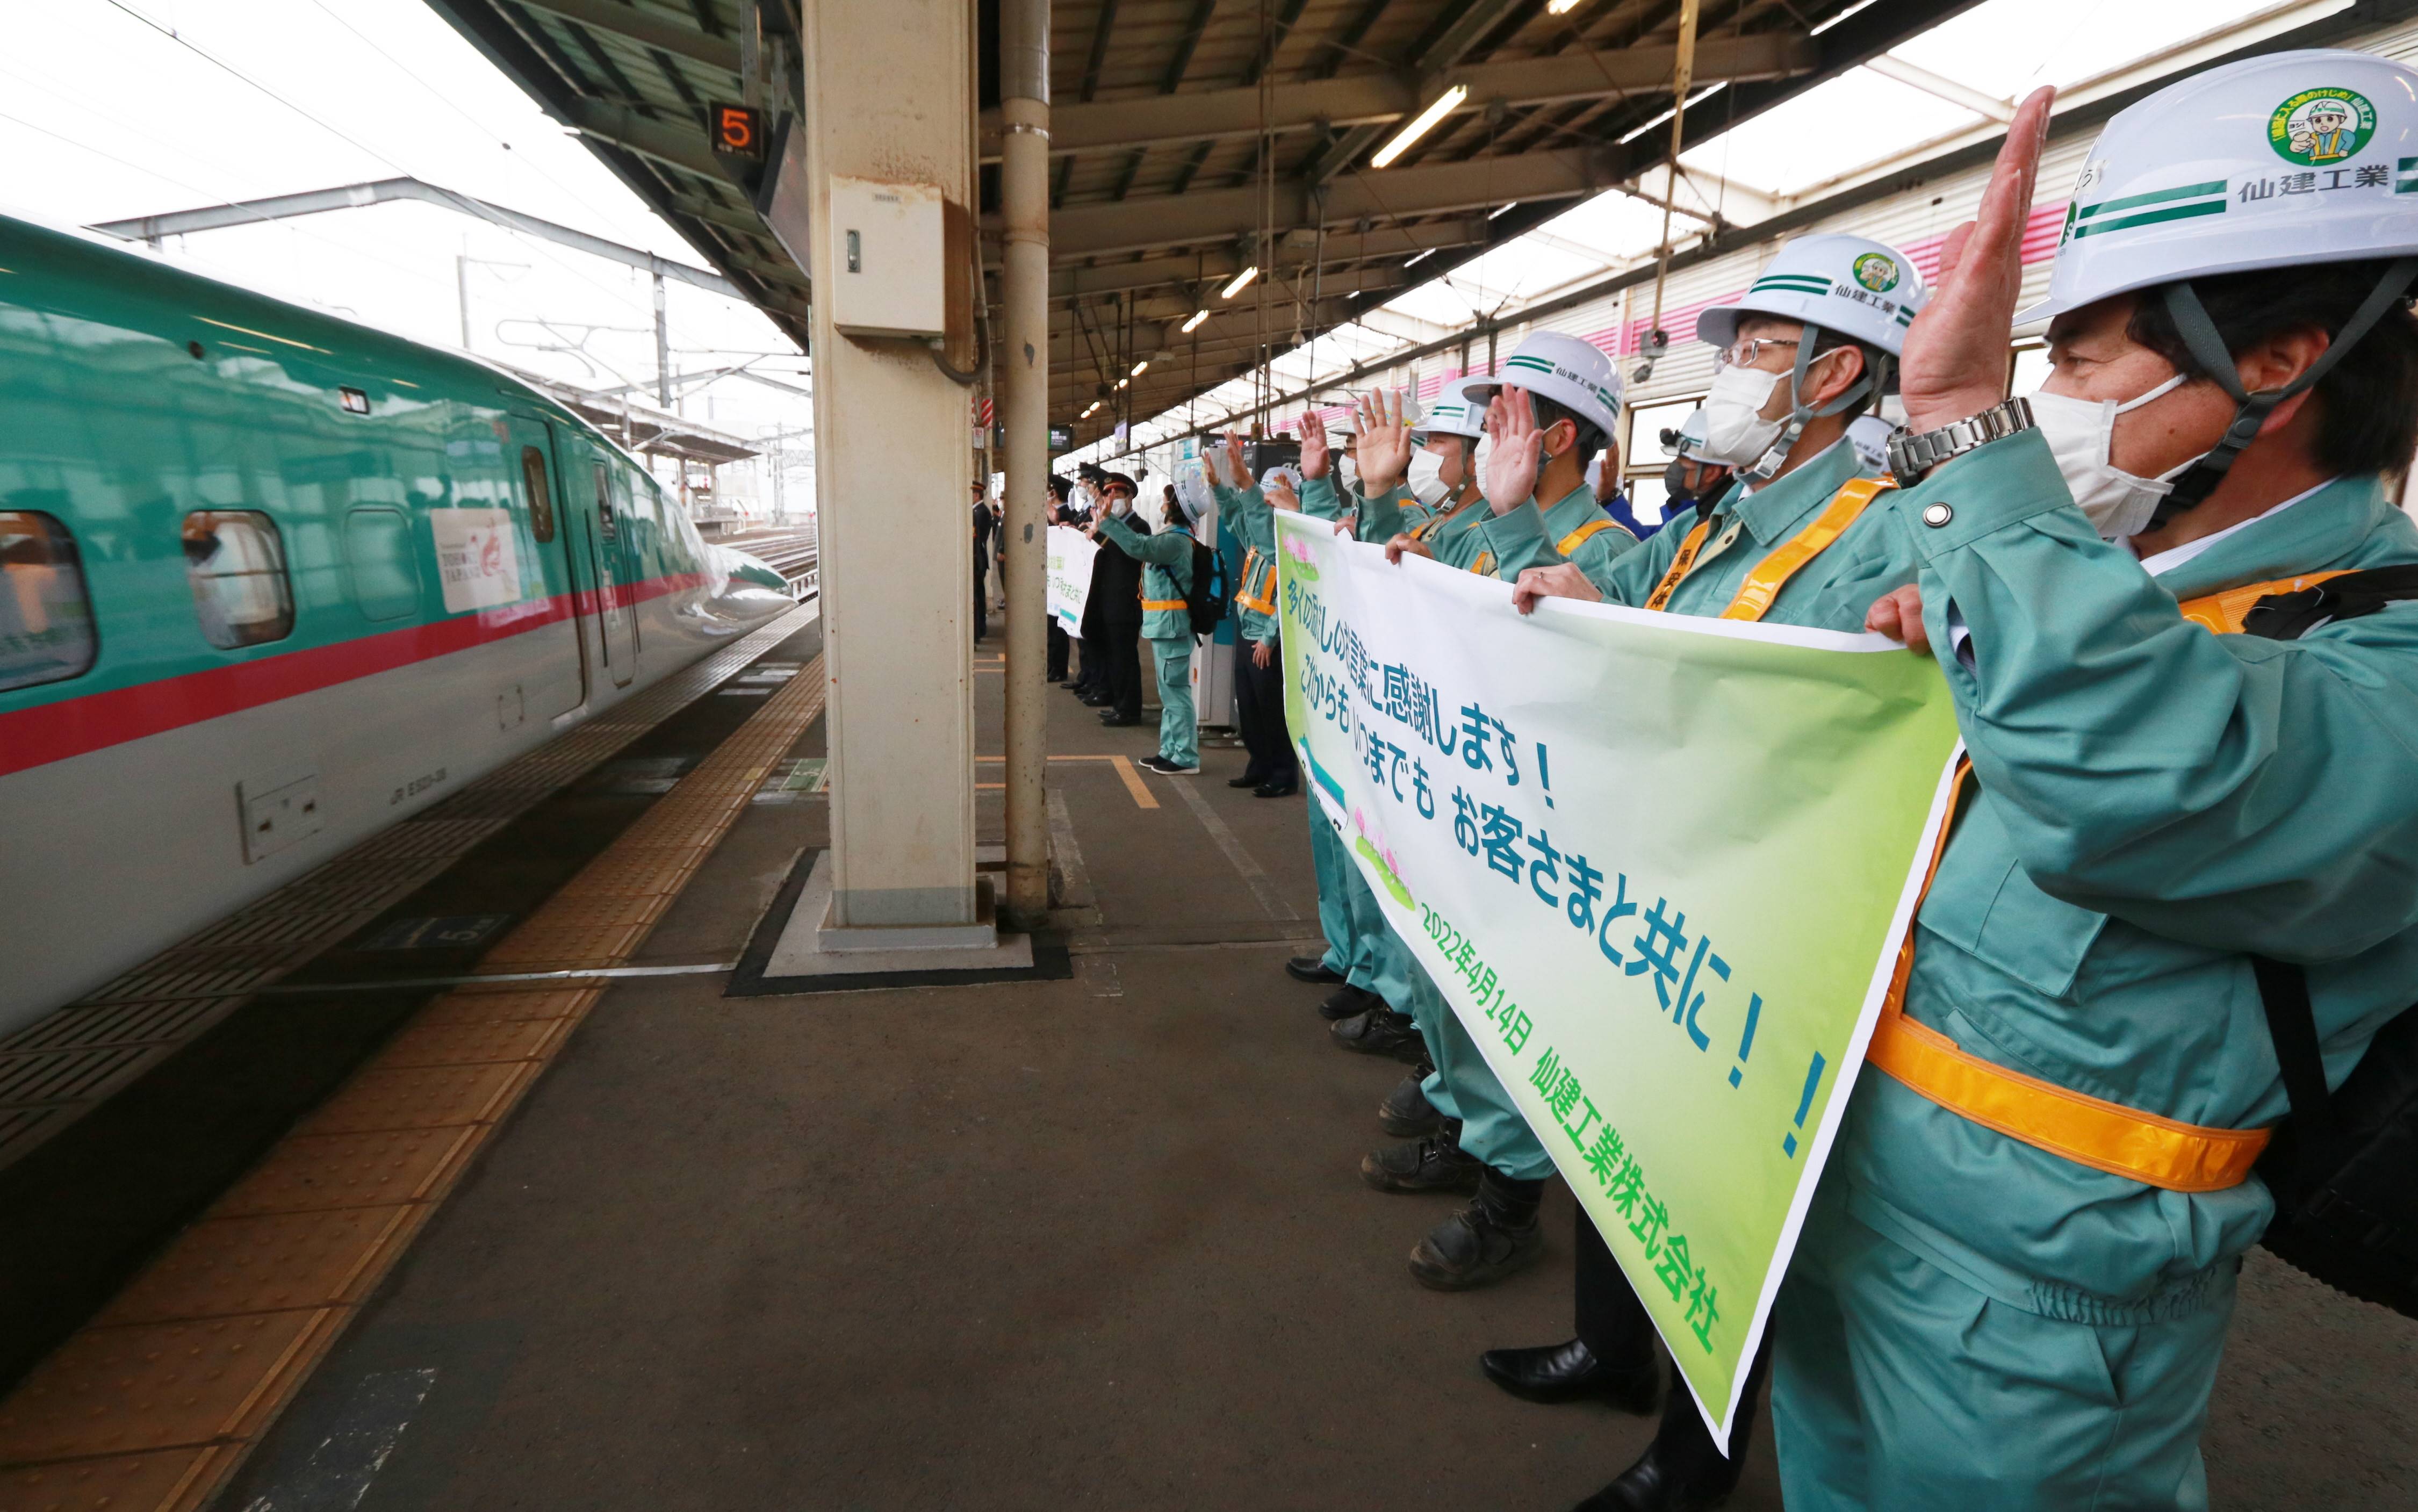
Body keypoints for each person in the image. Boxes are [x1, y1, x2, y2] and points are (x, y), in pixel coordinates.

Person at [1766, 54, 2418, 1509]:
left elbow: (2144, 786)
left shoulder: (2382, 645)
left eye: (2074, 364)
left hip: (2038, 1316)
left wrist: (1961, 422)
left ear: (2271, 364)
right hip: (1833, 1199)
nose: (2041, 407)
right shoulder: (2069, 589)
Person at [1492, 228, 1931, 1511]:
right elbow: (1607, 592)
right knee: (1624, 1138)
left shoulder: (1889, 536)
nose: (1727, 377)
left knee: (1725, 1207)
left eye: (1757, 350)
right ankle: (1610, 1348)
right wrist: (1534, 550)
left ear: (1834, 375)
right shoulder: (1723, 515)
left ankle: (1689, 1463)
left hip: (1762, 929)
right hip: (1652, 890)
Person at [1208, 449, 1301, 797]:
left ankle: (1283, 775)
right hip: (1248, 634)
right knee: (1249, 710)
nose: (1263, 507)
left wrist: (1269, 638)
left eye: (1270, 500)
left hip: (1267, 640)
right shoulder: (1261, 540)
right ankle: (1259, 765)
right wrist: (1218, 487)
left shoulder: (1290, 545)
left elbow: (1290, 595)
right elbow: (1235, 515)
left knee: (1272, 711)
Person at [1094, 471, 1199, 775]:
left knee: (1176, 694)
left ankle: (1185, 757)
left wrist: (1108, 522)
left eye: (1166, 501)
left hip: (1172, 626)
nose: (1162, 505)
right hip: (1166, 626)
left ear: (1175, 507)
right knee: (1170, 693)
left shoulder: (1175, 541)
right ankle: (1170, 750)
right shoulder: (1175, 537)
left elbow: (1140, 547)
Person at [1080, 476, 1148, 725]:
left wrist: (1103, 529)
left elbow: (1130, 553)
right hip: (1108, 601)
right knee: (1113, 657)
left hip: (1127, 602)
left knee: (1125, 658)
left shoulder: (1139, 527)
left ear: (1130, 499)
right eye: (1110, 497)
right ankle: (1118, 704)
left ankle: (1129, 710)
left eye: (1118, 497)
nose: (1113, 502)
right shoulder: (1108, 526)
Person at [971, 481, 995, 642]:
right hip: (978, 559)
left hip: (978, 559)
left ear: (976, 495)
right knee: (978, 595)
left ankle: (979, 629)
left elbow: (978, 539)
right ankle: (979, 628)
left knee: (978, 597)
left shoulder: (981, 512)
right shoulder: (978, 511)